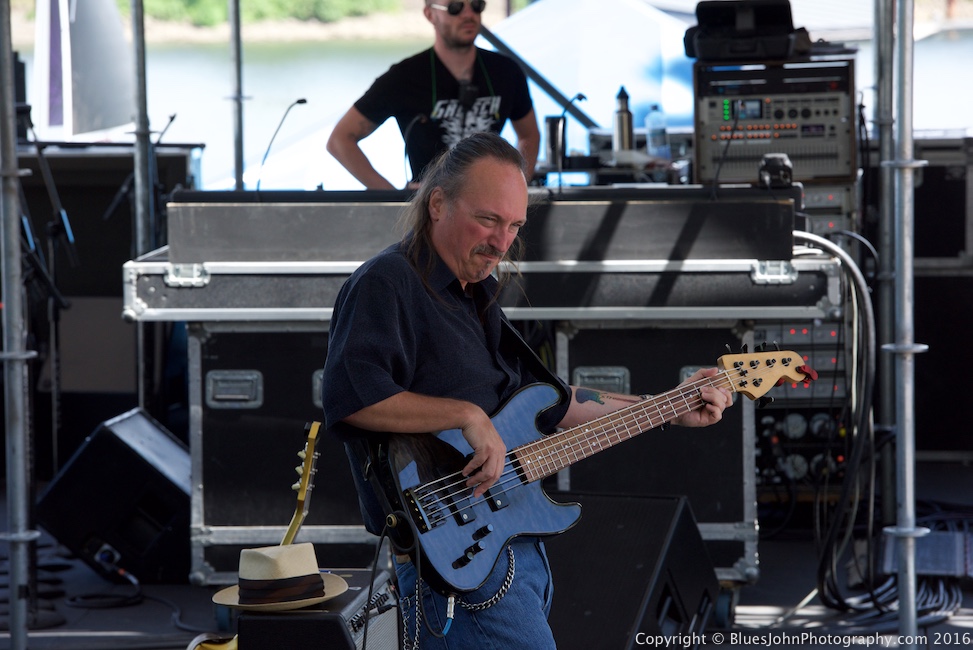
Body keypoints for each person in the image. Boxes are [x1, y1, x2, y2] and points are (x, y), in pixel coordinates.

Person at [321, 132, 732, 649]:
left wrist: (670, 406)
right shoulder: (388, 282)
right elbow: (353, 397)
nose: (501, 242)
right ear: (438, 203)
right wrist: (468, 415)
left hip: (508, 546)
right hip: (455, 564)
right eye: (489, 219)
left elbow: (549, 402)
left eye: (514, 226)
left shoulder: (475, 294)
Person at [325, 0, 540, 190]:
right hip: (428, 209)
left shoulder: (506, 71)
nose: (468, 14)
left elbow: (529, 135)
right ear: (430, 14)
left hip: (488, 203)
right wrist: (392, 198)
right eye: (455, 7)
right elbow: (340, 140)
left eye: (476, 5)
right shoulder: (405, 76)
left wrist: (515, 189)